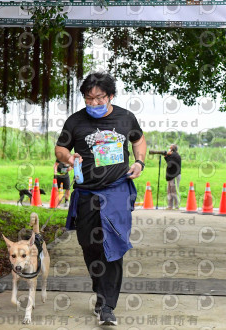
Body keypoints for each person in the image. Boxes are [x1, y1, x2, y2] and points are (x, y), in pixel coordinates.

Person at [55, 71, 146, 326]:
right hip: (87, 193)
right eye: (88, 98)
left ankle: (107, 306)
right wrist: (69, 158)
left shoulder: (126, 118)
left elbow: (139, 140)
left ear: (111, 96)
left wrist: (139, 162)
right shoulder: (75, 121)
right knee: (90, 245)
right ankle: (100, 291)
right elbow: (60, 148)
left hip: (117, 190)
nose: (93, 103)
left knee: (113, 246)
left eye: (99, 98)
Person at [164, 144, 182, 210]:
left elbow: (170, 164)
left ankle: (176, 205)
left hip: (174, 176)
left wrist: (166, 156)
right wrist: (167, 156)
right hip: (171, 176)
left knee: (174, 191)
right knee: (169, 191)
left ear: (172, 149)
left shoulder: (175, 156)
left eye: (170, 148)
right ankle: (170, 205)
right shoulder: (174, 155)